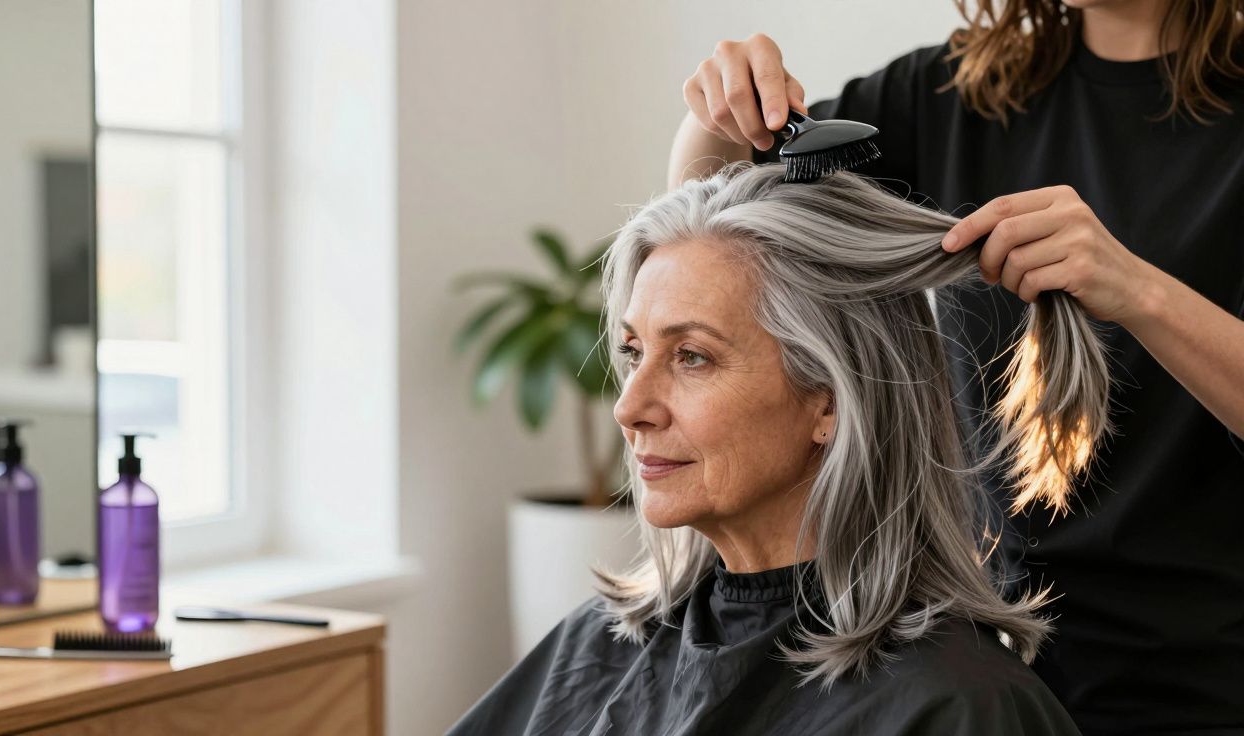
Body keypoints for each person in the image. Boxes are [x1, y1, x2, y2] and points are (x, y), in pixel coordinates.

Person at [669, 2, 1244, 734]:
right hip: (979, 669)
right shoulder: (960, 90)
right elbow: (715, 221)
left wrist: (1139, 292)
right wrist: (717, 119)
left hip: (1201, 687)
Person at [449, 162, 1094, 735]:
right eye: (633, 351)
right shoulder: (600, 644)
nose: (628, 408)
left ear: (832, 400)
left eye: (692, 357)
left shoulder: (954, 707)